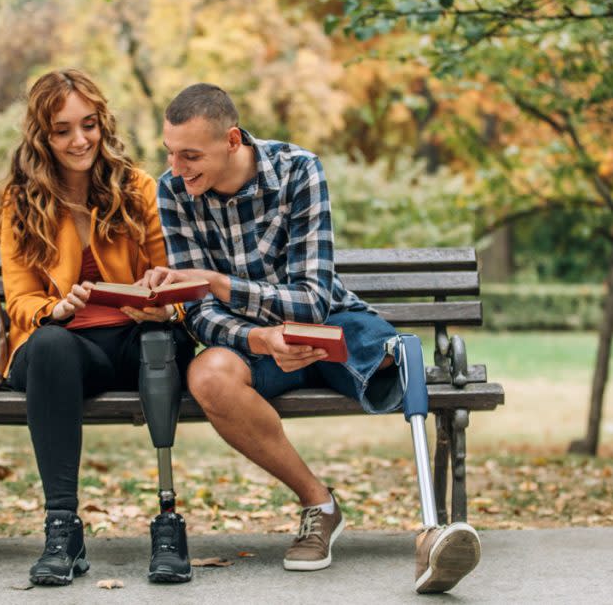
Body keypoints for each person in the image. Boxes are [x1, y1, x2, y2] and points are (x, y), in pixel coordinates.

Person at [143, 83, 481, 593]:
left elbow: (313, 300)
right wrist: (259, 339)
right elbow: (197, 312)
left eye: (190, 155)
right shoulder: (172, 191)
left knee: (398, 356)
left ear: (232, 140)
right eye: (170, 153)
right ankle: (318, 504)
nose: (176, 167)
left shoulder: (299, 170)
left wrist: (222, 283)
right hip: (252, 344)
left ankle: (433, 533)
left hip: (332, 326)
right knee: (207, 374)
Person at [0, 69, 194, 587]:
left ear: (102, 123)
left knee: (160, 343)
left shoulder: (137, 187)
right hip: (68, 347)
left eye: (88, 124)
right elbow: (19, 300)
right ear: (42, 136)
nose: (79, 140)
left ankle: (169, 525)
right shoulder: (20, 201)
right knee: (53, 345)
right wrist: (54, 310)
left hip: (133, 336)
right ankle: (62, 529)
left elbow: (170, 272)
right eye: (62, 130)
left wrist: (161, 302)